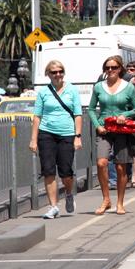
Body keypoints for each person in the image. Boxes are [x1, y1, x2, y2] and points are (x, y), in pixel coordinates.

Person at [29, 60, 82, 219]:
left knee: (66, 172)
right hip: (47, 134)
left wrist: (77, 136)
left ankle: (68, 193)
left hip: (67, 133)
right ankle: (53, 206)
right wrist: (33, 139)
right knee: (48, 170)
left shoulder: (72, 89)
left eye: (60, 71)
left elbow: (77, 114)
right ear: (48, 74)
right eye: (54, 72)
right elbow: (37, 116)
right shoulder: (44, 92)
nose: (57, 74)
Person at [88, 55, 135, 215]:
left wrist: (125, 115)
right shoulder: (98, 87)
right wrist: (97, 125)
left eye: (114, 67)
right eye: (107, 68)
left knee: (120, 167)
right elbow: (91, 109)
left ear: (120, 69)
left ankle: (120, 203)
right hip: (104, 129)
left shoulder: (128, 87)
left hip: (121, 130)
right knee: (102, 163)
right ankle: (106, 199)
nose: (110, 70)